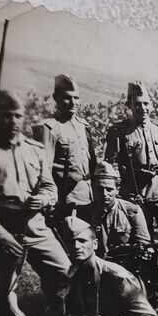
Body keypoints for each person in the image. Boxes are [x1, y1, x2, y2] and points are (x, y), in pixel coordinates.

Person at [0, 90, 71, 316]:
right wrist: (1, 236)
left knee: (65, 272)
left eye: (17, 116)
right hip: (2, 229)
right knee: (1, 293)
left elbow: (50, 187)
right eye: (6, 116)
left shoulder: (35, 150)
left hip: (35, 226)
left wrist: (44, 199)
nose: (13, 121)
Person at [103, 82, 158, 288]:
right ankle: (149, 284)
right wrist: (119, 191)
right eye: (138, 104)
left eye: (146, 103)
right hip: (135, 193)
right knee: (142, 241)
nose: (143, 108)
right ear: (130, 106)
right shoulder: (119, 132)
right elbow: (109, 165)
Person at [60, 216, 158, 316]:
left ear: (95, 244)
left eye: (82, 241)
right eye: (70, 242)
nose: (76, 246)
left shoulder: (116, 276)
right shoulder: (72, 272)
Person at [34, 74, 95, 220]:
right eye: (67, 97)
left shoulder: (83, 126)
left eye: (76, 98)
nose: (73, 103)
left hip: (88, 196)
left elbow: (92, 163)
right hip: (65, 199)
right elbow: (44, 169)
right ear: (56, 98)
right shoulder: (50, 128)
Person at [85, 161, 154, 277]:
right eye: (100, 189)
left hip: (124, 270)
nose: (104, 194)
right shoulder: (84, 213)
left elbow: (143, 243)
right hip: (94, 270)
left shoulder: (131, 211)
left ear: (117, 189)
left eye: (109, 189)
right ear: (92, 189)